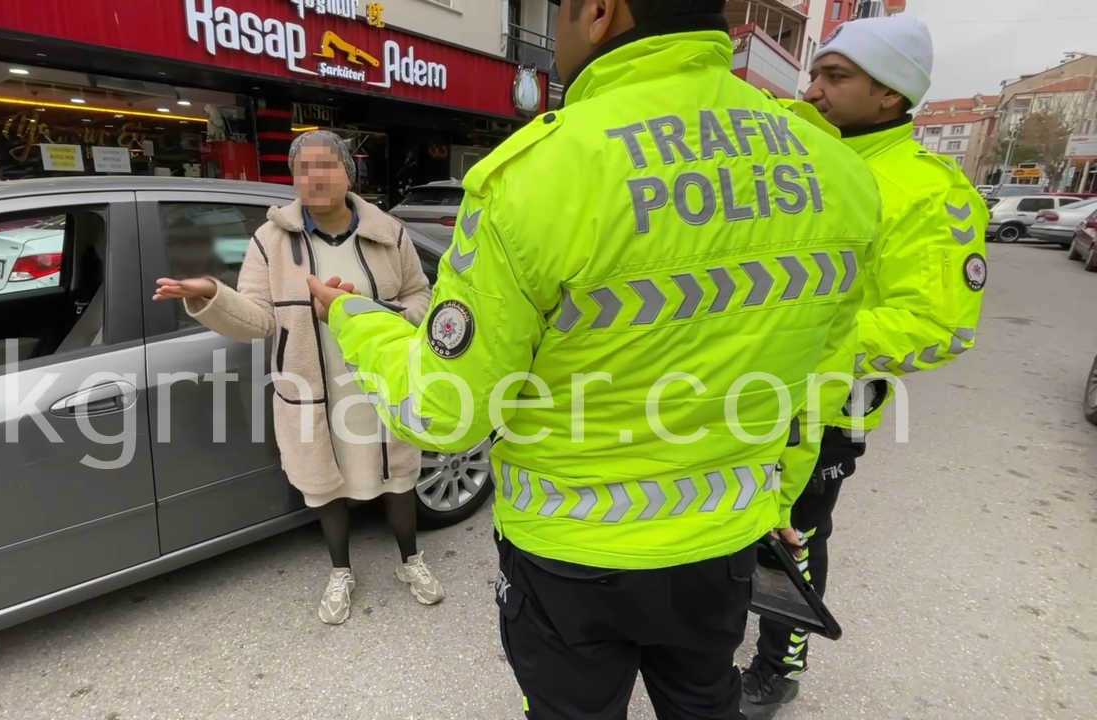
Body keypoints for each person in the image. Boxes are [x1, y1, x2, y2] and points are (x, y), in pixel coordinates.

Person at [306, 1, 882, 717]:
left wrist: (357, 319)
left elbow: (444, 413)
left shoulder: (539, 175)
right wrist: (775, 501)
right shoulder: (836, 170)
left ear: (602, 12)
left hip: (572, 559)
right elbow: (816, 375)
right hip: (724, 540)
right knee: (706, 703)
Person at [739, 15, 989, 717]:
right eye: (815, 73)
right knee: (729, 524)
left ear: (891, 96)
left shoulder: (928, 190)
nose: (814, 89)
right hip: (738, 389)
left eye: (836, 77)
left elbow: (938, 326)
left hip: (823, 409)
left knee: (792, 539)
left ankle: (777, 665)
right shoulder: (792, 155)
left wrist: (812, 339)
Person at [152, 131, 444, 626]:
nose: (315, 176)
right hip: (311, 385)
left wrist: (377, 312)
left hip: (379, 378)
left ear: (349, 171)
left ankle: (410, 561)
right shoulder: (270, 241)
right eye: (303, 168)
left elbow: (422, 295)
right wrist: (210, 295)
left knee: (399, 476)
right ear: (292, 179)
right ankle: (340, 570)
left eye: (326, 165)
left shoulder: (388, 232)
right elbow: (258, 318)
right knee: (323, 485)